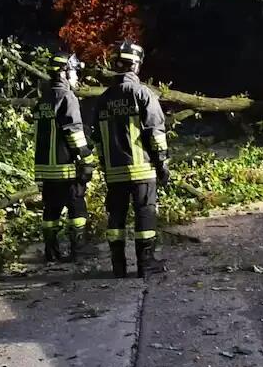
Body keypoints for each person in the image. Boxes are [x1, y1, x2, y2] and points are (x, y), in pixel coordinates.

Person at [92, 40, 169, 278]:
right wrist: (162, 163)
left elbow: (97, 138)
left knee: (116, 216)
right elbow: (155, 133)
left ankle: (118, 266)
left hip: (114, 171)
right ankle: (146, 263)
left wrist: (105, 164)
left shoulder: (103, 99)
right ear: (135, 65)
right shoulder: (142, 94)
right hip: (142, 170)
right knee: (145, 213)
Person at [33, 51, 97, 262]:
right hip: (66, 167)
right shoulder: (67, 97)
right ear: (64, 73)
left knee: (51, 210)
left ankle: (51, 251)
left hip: (46, 169)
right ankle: (78, 250)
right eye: (74, 72)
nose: (76, 77)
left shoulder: (43, 100)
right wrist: (86, 158)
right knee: (77, 207)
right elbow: (73, 131)